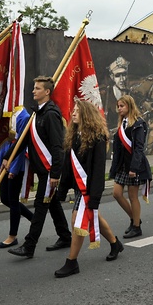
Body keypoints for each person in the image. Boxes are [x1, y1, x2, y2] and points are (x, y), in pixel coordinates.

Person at [54, 100, 124, 278]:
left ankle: (72, 262)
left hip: (89, 187)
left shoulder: (97, 137)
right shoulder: (73, 135)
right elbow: (68, 167)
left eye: (78, 111)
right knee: (93, 216)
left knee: (78, 220)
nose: (73, 113)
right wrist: (62, 190)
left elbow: (98, 170)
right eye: (73, 110)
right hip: (78, 186)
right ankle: (115, 243)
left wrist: (94, 197)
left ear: (86, 114)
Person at [7, 76, 72, 259]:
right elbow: (24, 140)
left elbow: (58, 146)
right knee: (51, 203)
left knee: (41, 206)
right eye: (34, 88)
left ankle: (29, 246)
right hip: (42, 169)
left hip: (49, 170)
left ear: (47, 92)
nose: (33, 91)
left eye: (37, 88)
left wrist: (56, 173)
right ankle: (65, 236)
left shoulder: (50, 114)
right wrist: (7, 158)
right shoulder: (37, 113)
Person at [110, 95, 152, 238]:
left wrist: (134, 168)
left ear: (129, 106)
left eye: (122, 106)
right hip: (122, 165)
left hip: (134, 165)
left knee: (133, 196)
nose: (119, 109)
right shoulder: (122, 123)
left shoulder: (138, 124)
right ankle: (135, 219)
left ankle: (136, 226)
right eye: (118, 106)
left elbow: (139, 148)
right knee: (116, 193)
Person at [0, 108, 34, 248]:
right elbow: (4, 143)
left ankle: (12, 236)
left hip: (17, 165)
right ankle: (34, 219)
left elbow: (20, 146)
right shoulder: (7, 113)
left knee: (13, 200)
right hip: (6, 162)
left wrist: (14, 169)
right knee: (5, 198)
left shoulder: (24, 116)